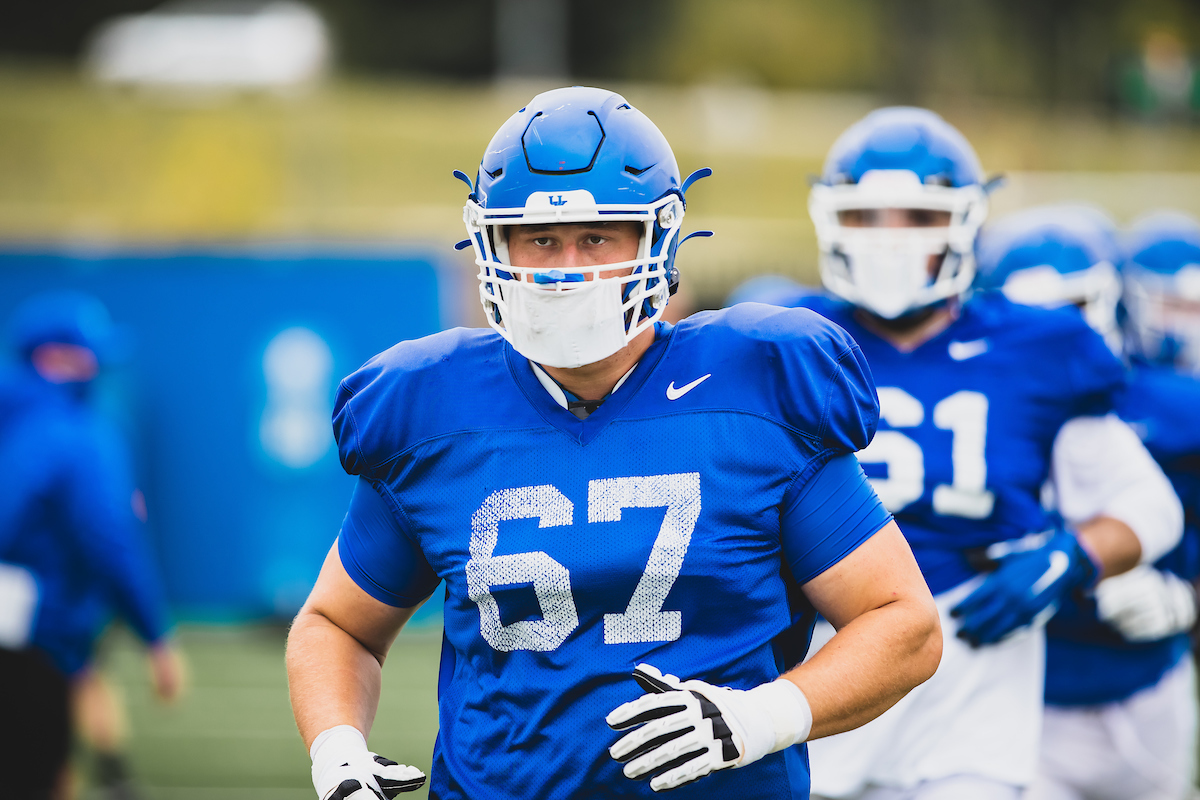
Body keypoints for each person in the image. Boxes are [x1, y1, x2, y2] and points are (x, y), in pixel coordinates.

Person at [285, 86, 942, 800]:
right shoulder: (432, 408)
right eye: (540, 239)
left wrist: (758, 718)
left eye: (597, 236)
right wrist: (339, 754)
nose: (566, 266)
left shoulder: (755, 386)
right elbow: (336, 625)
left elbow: (901, 622)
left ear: (657, 240)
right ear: (492, 244)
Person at [777, 108, 1181, 800]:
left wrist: (1069, 555)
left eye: (916, 217)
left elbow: (1150, 507)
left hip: (972, 687)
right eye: (869, 217)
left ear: (963, 223)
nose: (890, 240)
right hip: (823, 659)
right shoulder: (785, 343)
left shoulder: (1039, 347)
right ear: (832, 220)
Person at [977, 207, 1200, 799]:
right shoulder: (965, 413)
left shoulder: (1171, 407)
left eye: (1075, 305)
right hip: (1023, 699)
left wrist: (1185, 598)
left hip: (1147, 686)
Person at [0, 291, 184, 800]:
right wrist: (156, 636)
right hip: (33, 642)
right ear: (54, 357)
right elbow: (110, 539)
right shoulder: (80, 435)